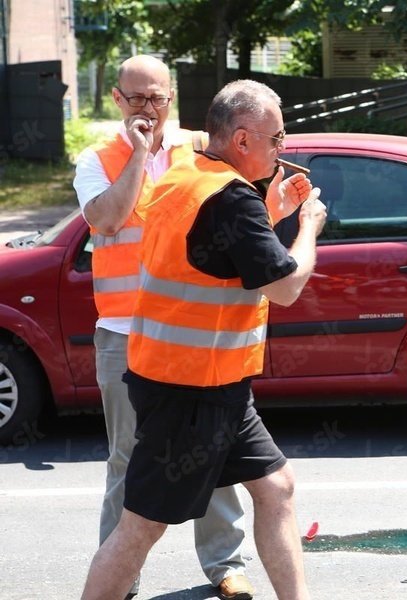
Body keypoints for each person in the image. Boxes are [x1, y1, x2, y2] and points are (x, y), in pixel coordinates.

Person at [80, 79, 327, 600]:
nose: (283, 148)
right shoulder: (233, 200)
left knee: (277, 487)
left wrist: (271, 212)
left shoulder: (187, 171)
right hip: (190, 391)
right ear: (242, 140)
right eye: (277, 138)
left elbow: (211, 255)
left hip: (210, 385)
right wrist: (306, 227)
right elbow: (286, 286)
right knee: (141, 528)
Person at [73, 55, 255, 600]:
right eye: (137, 99)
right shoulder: (97, 159)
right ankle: (118, 574)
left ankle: (226, 565)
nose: (148, 109)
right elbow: (106, 218)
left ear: (171, 99)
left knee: (215, 448)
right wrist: (138, 154)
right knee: (127, 460)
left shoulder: (199, 151)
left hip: (191, 330)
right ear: (116, 100)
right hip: (125, 335)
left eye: (157, 98)